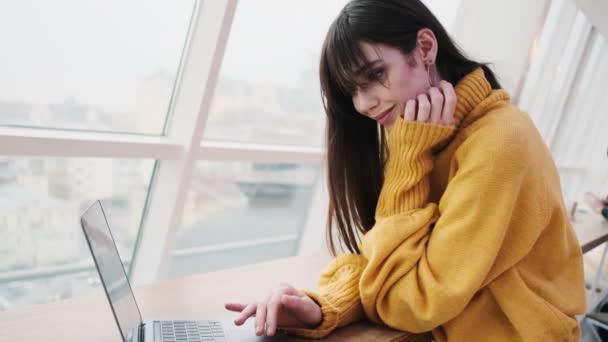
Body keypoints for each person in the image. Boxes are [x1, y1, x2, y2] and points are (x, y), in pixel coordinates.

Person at [225, 0, 586, 340]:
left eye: (375, 74)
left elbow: (413, 301)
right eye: (352, 91)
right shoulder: (420, 138)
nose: (364, 104)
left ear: (426, 48)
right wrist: (322, 306)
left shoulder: (500, 143)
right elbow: (385, 263)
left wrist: (407, 160)